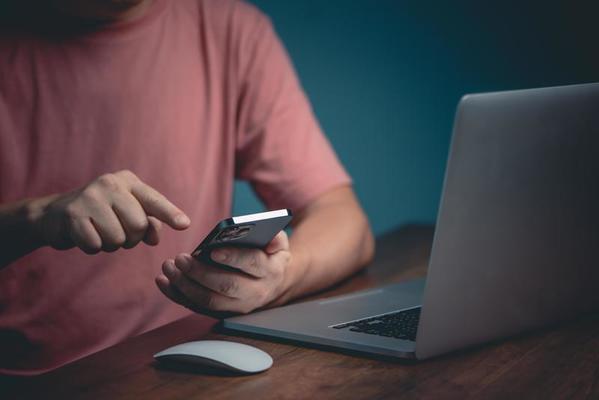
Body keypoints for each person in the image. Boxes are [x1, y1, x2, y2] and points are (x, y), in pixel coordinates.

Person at [0, 0, 374, 375]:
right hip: (31, 380)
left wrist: (277, 279)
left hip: (188, 364)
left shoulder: (229, 29)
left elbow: (343, 219)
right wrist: (37, 217)